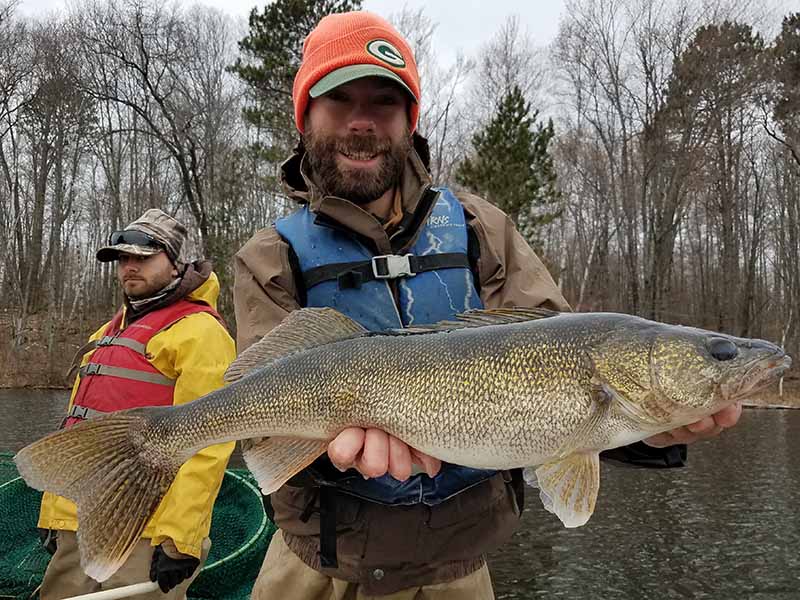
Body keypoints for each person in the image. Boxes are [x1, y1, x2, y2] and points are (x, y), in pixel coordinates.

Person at [233, 11, 742, 599]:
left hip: (459, 569)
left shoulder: (482, 229)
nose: (362, 121)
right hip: (317, 565)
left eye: (385, 102)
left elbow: (571, 396)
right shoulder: (269, 257)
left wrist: (652, 432)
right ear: (305, 117)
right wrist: (327, 451)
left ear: (409, 121)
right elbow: (260, 415)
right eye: (339, 99)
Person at [38, 209, 236, 600]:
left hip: (146, 530)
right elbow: (76, 431)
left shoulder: (202, 335)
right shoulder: (107, 333)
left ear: (177, 262)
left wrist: (180, 538)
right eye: (123, 258)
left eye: (143, 258)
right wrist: (54, 514)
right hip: (79, 522)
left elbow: (208, 448)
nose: (129, 267)